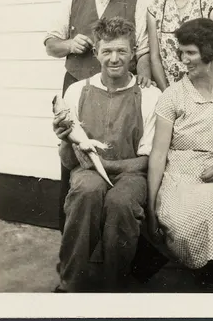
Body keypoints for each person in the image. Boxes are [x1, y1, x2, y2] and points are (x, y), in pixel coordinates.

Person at [44, 0, 152, 232]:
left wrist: (143, 72)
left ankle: (118, 232)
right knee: (73, 156)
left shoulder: (135, 1)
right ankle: (72, 230)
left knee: (121, 155)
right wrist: (68, 43)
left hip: (120, 89)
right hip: (78, 84)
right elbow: (50, 45)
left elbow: (142, 48)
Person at [52, 17, 161, 292]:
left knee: (121, 202)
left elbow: (147, 160)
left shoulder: (150, 95)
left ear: (133, 52)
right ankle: (70, 281)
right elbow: (68, 162)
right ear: (96, 52)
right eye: (107, 51)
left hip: (132, 175)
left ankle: (114, 286)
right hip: (88, 173)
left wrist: (104, 164)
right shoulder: (77, 91)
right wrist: (65, 140)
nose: (114, 58)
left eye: (122, 51)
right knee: (86, 193)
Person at [147, 18, 213, 291]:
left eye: (191, 52)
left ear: (210, 53)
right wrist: (150, 204)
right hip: (180, 172)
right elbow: (159, 154)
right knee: (182, 220)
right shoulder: (172, 96)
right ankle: (205, 269)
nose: (184, 59)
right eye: (181, 52)